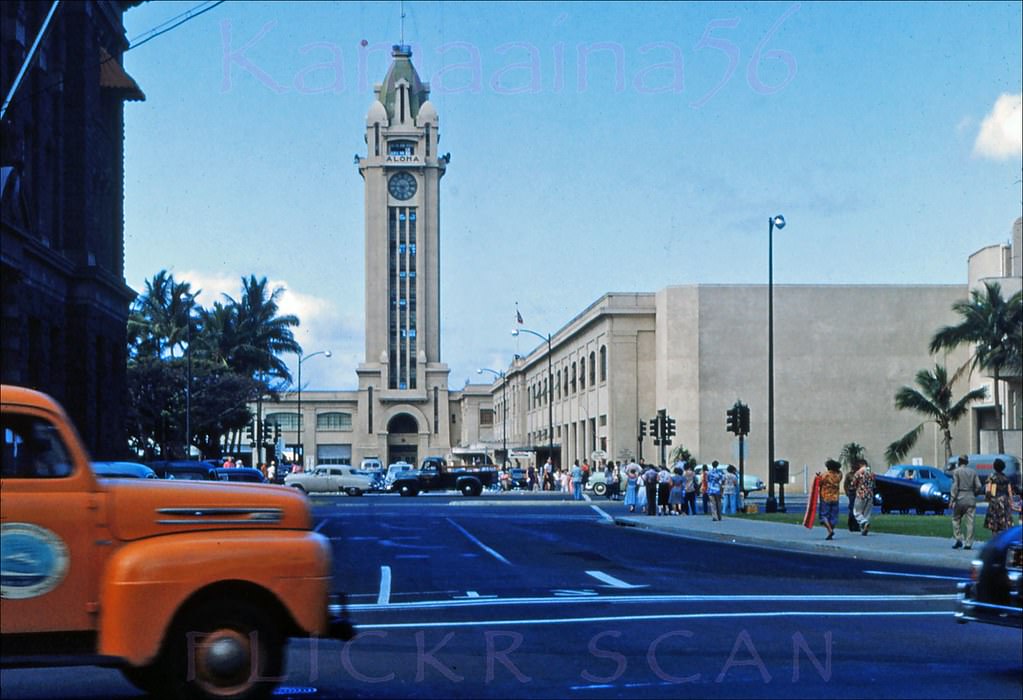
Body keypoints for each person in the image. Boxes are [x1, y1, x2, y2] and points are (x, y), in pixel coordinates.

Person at [950, 454, 982, 549]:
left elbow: (955, 486)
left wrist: (952, 499)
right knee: (970, 522)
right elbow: (979, 486)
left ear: (959, 462)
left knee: (956, 519)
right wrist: (974, 493)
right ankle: (968, 543)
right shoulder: (973, 472)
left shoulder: (956, 472)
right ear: (967, 462)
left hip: (960, 497)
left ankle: (958, 538)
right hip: (971, 497)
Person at [983, 458, 1016, 535]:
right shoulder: (1006, 478)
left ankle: (995, 539)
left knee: (994, 523)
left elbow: (988, 490)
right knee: (1005, 523)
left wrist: (988, 499)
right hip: (1004, 501)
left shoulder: (991, 477)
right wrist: (1011, 502)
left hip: (995, 501)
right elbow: (1009, 491)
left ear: (994, 466)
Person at [818, 459, 843, 540]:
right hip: (835, 497)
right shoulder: (839, 475)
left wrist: (818, 476)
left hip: (825, 497)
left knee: (824, 515)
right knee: (833, 515)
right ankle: (831, 529)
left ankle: (829, 530)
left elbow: (819, 482)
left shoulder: (825, 475)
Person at [851, 459, 875, 535]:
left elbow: (853, 483)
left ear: (861, 464)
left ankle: (864, 522)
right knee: (866, 513)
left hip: (861, 494)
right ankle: (864, 529)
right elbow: (874, 484)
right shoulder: (871, 473)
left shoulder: (859, 472)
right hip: (870, 494)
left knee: (857, 512)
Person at [843, 463, 860, 532]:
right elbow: (845, 484)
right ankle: (851, 524)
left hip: (859, 493)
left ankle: (856, 526)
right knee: (852, 508)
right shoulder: (849, 475)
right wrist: (847, 492)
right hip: (852, 492)